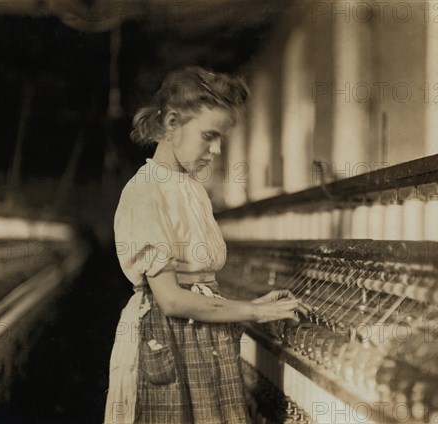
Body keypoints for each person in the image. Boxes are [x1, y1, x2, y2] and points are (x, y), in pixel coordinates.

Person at [104, 66, 308, 424]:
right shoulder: (146, 192)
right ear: (171, 123)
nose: (215, 150)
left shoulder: (192, 190)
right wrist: (255, 313)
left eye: (221, 139)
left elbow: (197, 283)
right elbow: (171, 299)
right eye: (208, 136)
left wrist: (249, 303)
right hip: (167, 343)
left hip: (203, 341)